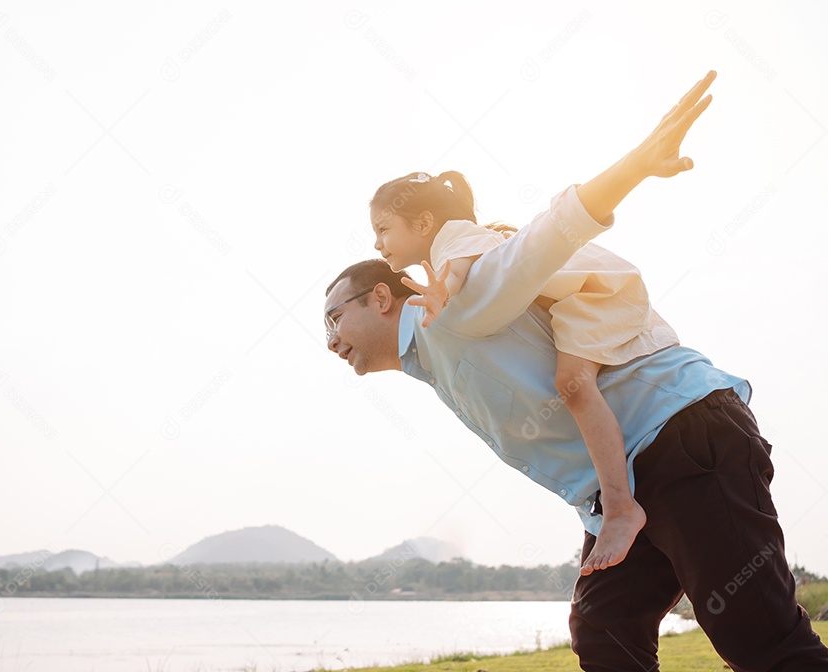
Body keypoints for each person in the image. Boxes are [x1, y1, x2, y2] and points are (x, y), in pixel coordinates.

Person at [324, 71, 828, 669]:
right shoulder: (436, 347)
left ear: (381, 300)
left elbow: (544, 238)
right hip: (629, 482)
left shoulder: (456, 301)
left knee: (763, 644)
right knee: (604, 630)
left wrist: (635, 166)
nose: (330, 340)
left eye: (334, 319)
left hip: (681, 437)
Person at [367, 170, 678, 576]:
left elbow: (460, 270)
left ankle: (621, 507)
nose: (376, 243)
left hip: (595, 294)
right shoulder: (448, 247)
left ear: (423, 223)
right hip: (581, 297)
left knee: (574, 387)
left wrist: (444, 288)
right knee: (574, 386)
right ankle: (617, 503)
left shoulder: (453, 239)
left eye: (383, 228)